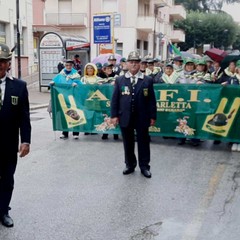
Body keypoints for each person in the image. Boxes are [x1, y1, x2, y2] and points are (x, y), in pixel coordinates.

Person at [111, 51, 157, 178]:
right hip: (125, 116)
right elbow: (115, 99)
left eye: (136, 62)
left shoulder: (147, 80)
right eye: (131, 62)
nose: (134, 65)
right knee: (128, 142)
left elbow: (152, 100)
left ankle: (144, 167)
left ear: (140, 64)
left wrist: (152, 116)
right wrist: (114, 116)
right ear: (127, 64)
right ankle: (130, 165)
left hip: (142, 116)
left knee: (143, 142)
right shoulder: (120, 80)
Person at [0, 43, 31, 227]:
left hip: (8, 144)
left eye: (3, 61)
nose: (0, 65)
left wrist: (26, 140)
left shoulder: (19, 87)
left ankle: (3, 211)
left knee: (7, 179)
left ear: (8, 64)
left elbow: (24, 118)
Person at [51, 59, 82, 140]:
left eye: (70, 65)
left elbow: (81, 85)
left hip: (73, 98)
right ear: (65, 65)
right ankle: (65, 132)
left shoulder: (76, 75)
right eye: (67, 65)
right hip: (63, 98)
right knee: (64, 114)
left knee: (75, 114)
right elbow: (53, 82)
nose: (68, 67)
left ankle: (75, 132)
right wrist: (51, 83)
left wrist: (77, 84)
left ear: (72, 66)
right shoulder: (60, 75)